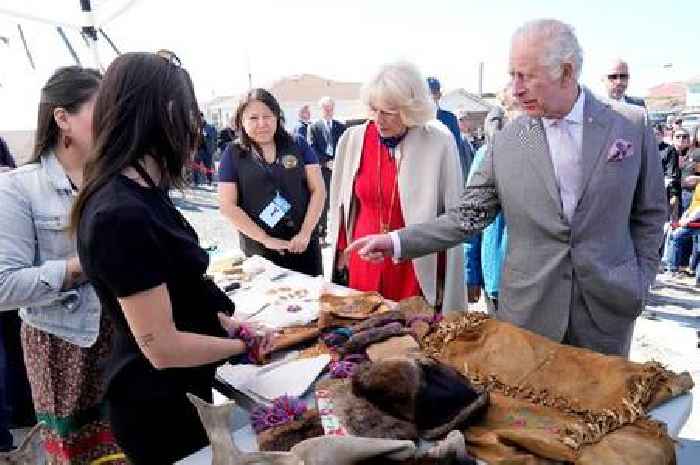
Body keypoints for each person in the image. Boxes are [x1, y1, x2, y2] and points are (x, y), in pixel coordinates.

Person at [348, 19, 666, 357]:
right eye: (512, 75)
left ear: (567, 71)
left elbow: (650, 213)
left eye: (526, 76)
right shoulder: (506, 142)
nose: (515, 90)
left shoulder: (630, 125)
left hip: (607, 314)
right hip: (529, 316)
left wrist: (639, 281)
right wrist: (397, 240)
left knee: (605, 409)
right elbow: (467, 216)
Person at [71, 52, 270, 464]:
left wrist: (224, 320)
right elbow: (162, 347)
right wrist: (238, 346)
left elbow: (177, 285)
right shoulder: (119, 213)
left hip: (180, 391)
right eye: (189, 112)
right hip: (156, 407)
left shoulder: (142, 188)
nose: (195, 126)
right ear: (165, 113)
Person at [0, 66, 126, 464]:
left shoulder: (118, 178)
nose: (113, 119)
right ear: (62, 118)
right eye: (101, 108)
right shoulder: (19, 187)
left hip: (127, 337)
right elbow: (4, 287)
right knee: (80, 455)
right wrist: (78, 266)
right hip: (65, 347)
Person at [330, 61, 465, 313]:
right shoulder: (353, 139)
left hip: (415, 263)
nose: (378, 120)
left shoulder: (439, 142)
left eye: (389, 112)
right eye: (374, 109)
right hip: (365, 258)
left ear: (411, 109)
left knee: (412, 341)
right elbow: (342, 205)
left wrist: (445, 278)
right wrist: (341, 252)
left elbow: (453, 216)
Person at [218, 89, 325, 276]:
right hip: (260, 251)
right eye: (253, 118)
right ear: (241, 121)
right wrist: (265, 239)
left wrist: (306, 233)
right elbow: (227, 205)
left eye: (267, 116)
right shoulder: (233, 154)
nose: (262, 124)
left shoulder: (298, 144)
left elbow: (318, 190)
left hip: (304, 245)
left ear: (277, 116)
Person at [309, 97, 346, 243]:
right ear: (321, 110)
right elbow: (312, 148)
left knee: (339, 201)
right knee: (322, 202)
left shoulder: (340, 127)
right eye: (326, 108)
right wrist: (326, 162)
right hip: (323, 171)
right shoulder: (314, 127)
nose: (328, 111)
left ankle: (341, 234)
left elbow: (344, 146)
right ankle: (322, 234)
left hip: (338, 169)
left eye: (331, 108)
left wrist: (337, 161)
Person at [427, 77, 471, 179]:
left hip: (446, 171)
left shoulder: (450, 118)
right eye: (428, 93)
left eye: (434, 92)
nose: (431, 96)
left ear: (439, 94)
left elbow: (456, 147)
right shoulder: (417, 120)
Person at [194, 114, 217, 186]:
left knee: (208, 166)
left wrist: (207, 134)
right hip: (198, 150)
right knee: (196, 166)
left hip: (207, 150)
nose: (200, 119)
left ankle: (209, 180)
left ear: (203, 117)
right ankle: (196, 182)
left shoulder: (210, 127)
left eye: (201, 117)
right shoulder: (195, 127)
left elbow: (214, 136)